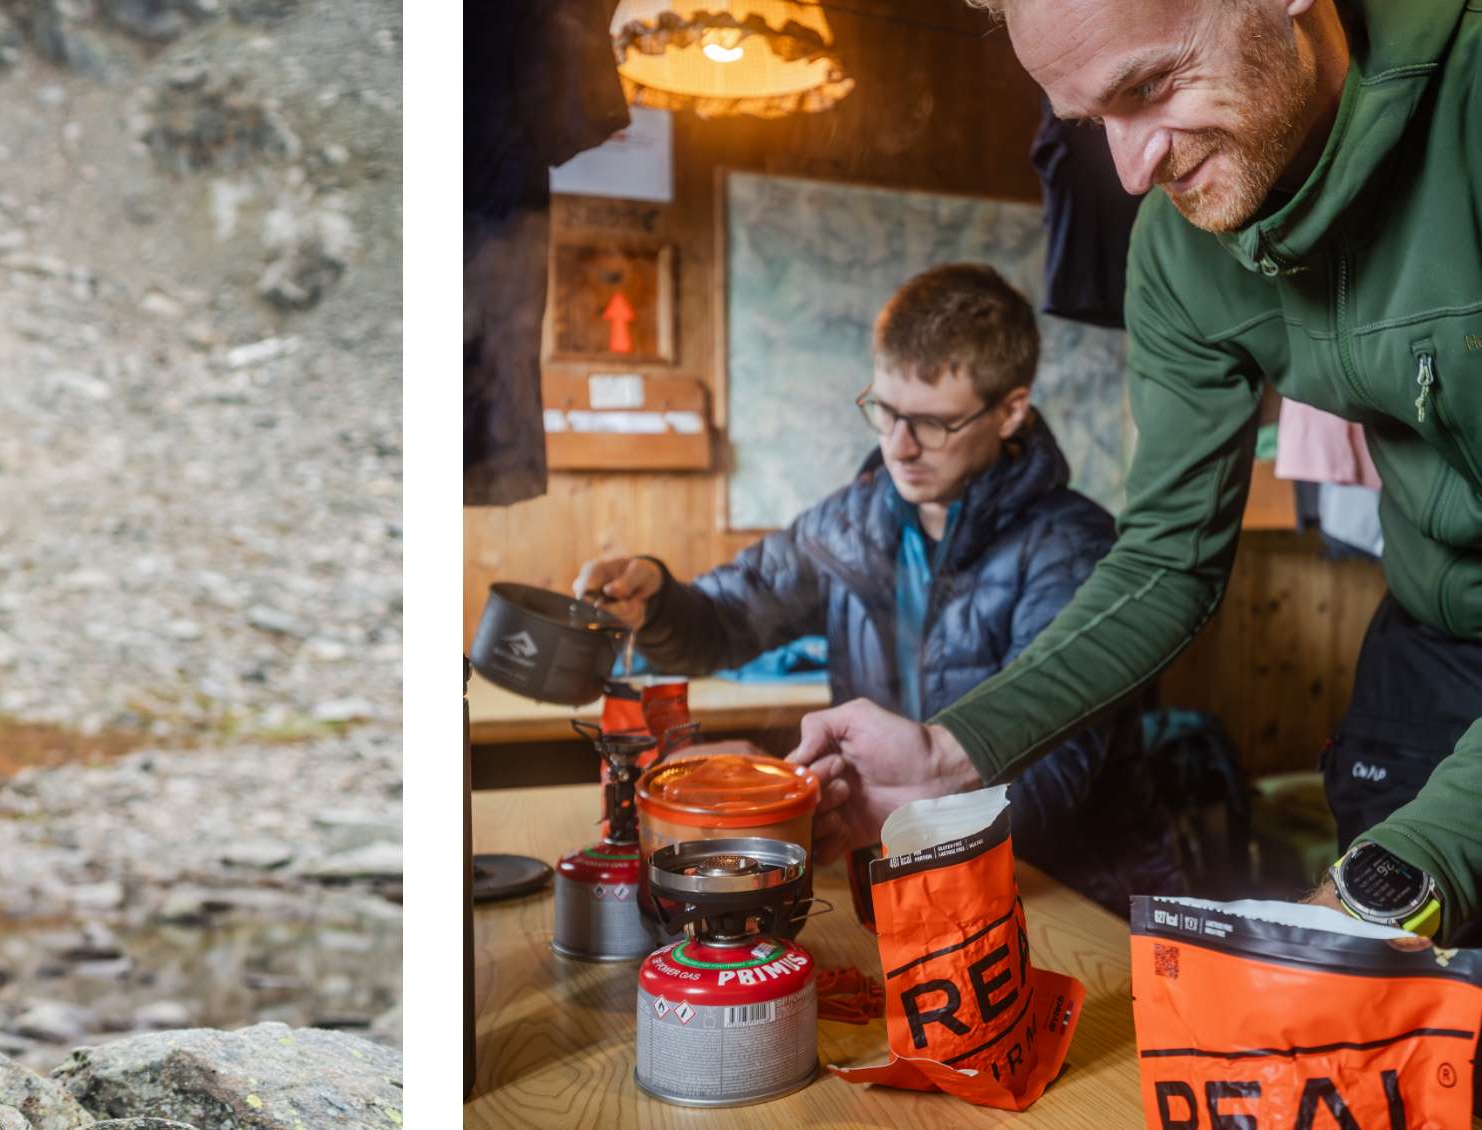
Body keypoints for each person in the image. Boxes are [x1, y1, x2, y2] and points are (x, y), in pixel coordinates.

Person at [794, 0, 1482, 941]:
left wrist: (1401, 877)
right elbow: (1166, 557)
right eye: (1093, 121)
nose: (1130, 171)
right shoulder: (1174, 245)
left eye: (1152, 85)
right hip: (1436, 642)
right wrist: (954, 750)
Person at [576, 264, 1172, 908]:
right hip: (902, 875)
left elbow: (1051, 783)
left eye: (933, 424)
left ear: (1010, 411)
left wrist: (870, 807)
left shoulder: (1073, 548)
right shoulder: (848, 522)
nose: (899, 447)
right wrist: (657, 605)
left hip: (1063, 892)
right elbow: (724, 621)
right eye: (885, 412)